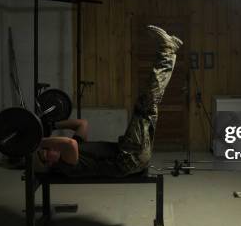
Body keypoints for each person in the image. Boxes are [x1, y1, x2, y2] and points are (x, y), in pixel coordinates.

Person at [35, 25, 182, 177]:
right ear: (50, 163)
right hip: (128, 160)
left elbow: (82, 124)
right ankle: (167, 51)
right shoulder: (66, 164)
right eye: (46, 154)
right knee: (145, 106)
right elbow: (68, 144)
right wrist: (39, 141)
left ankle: (169, 53)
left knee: (148, 106)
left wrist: (53, 125)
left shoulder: (76, 146)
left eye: (47, 149)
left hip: (128, 152)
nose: (50, 150)